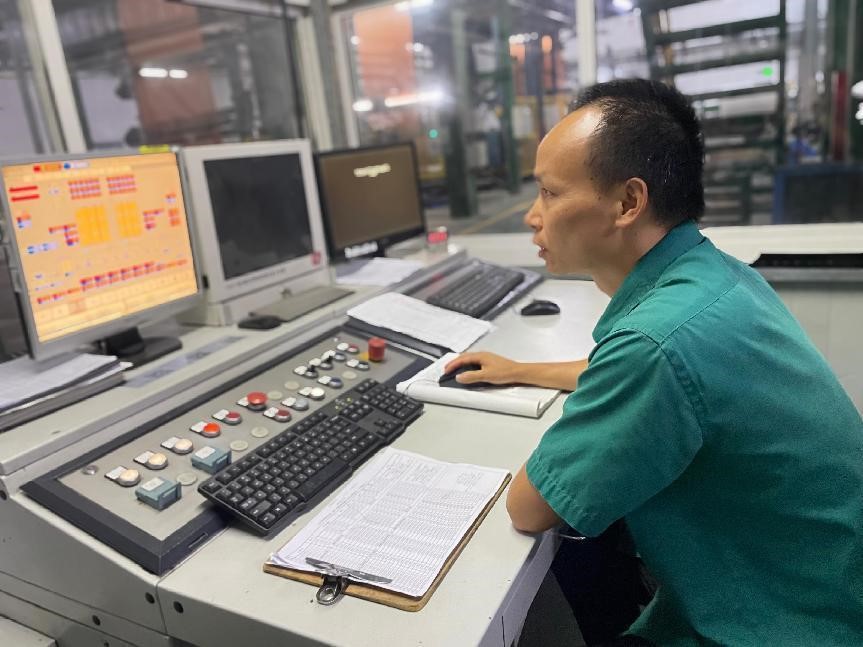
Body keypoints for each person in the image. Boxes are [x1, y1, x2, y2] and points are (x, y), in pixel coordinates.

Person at [445, 79, 863, 646]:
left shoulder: (654, 343)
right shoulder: (714, 277)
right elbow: (660, 374)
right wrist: (520, 370)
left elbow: (529, 508)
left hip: (777, 626)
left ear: (628, 203)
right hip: (827, 588)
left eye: (549, 193)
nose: (531, 216)